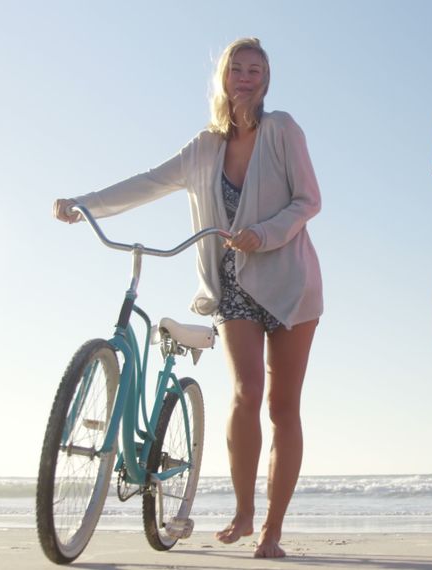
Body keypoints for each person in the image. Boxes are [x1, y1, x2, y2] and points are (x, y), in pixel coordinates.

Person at [53, 37, 322, 559]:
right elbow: (148, 183)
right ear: (224, 77)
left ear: (267, 79)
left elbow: (308, 200)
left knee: (282, 406)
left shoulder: (283, 129)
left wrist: (263, 234)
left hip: (289, 281)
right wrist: (82, 204)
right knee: (247, 391)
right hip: (233, 284)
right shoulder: (204, 147)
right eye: (238, 69)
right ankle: (244, 511)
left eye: (256, 70)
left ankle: (271, 528)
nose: (247, 78)